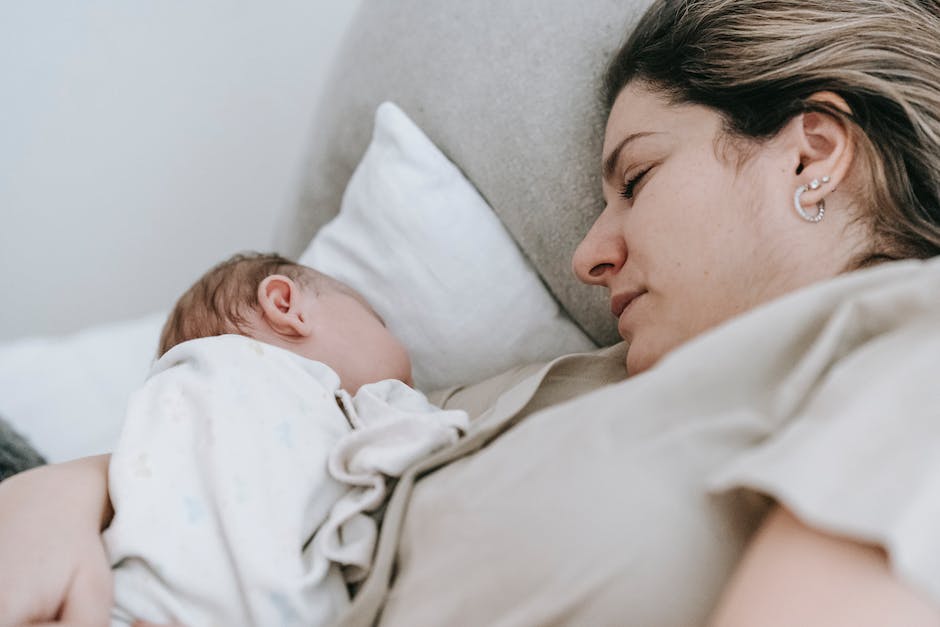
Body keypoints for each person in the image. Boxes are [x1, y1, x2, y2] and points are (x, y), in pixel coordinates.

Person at [2, 0, 940, 624]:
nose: (587, 254)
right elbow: (280, 451)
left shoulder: (910, 349)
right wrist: (71, 487)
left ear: (812, 154)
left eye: (638, 178)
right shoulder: (580, 380)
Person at [107, 252, 467, 626]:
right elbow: (418, 436)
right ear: (285, 306)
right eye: (380, 322)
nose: (400, 344)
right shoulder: (219, 380)